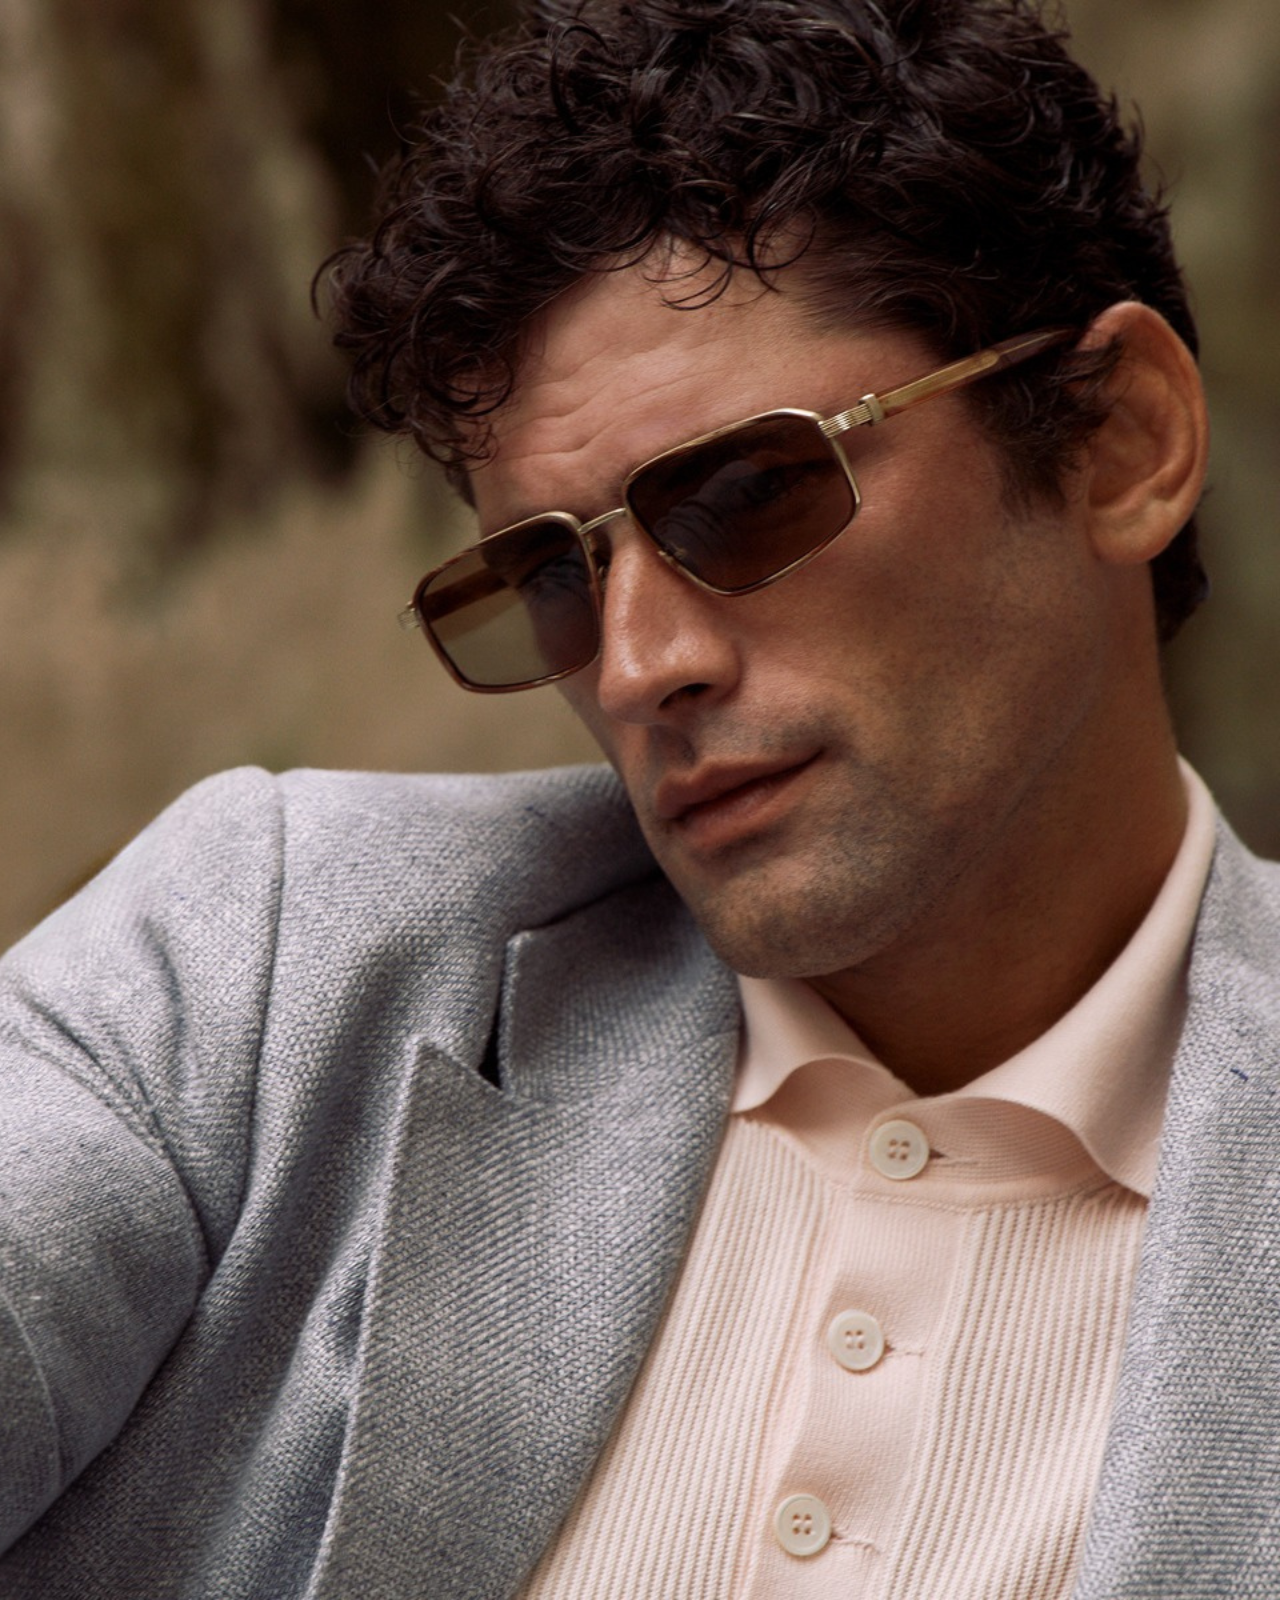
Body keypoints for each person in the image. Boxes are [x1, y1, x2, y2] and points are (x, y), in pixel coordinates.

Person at [0, 1, 1275, 1595]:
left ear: (1120, 442)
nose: (635, 667)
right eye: (549, 579)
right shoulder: (268, 972)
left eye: (745, 496)